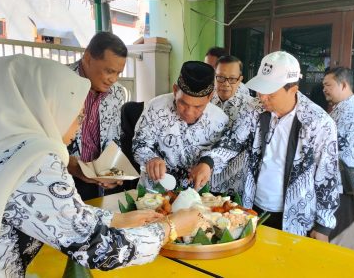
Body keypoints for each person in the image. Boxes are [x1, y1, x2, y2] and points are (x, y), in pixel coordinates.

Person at [0, 55, 200, 276]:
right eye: (76, 115)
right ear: (47, 107)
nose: (78, 126)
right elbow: (95, 249)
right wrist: (171, 228)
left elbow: (61, 215)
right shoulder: (33, 161)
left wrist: (115, 218)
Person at [191, 51, 341, 241]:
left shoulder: (318, 123)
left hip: (296, 218)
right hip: (252, 208)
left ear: (293, 89)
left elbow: (328, 177)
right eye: (261, 90)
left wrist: (324, 226)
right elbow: (232, 142)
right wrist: (208, 162)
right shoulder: (254, 109)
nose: (262, 97)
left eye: (270, 93)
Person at [133, 61, 228, 189]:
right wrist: (151, 159)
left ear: (210, 96)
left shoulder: (219, 119)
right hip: (154, 193)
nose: (188, 112)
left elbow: (223, 154)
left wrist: (208, 163)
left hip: (197, 197)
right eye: (182, 103)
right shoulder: (155, 108)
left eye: (198, 107)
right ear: (175, 90)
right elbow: (139, 143)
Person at [66, 32, 128, 200]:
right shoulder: (61, 81)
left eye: (118, 73)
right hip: (63, 176)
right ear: (87, 57)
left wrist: (113, 170)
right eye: (109, 71)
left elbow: (113, 138)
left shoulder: (117, 93)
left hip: (97, 181)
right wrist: (75, 167)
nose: (113, 79)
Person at [322, 67, 354, 249]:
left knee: (340, 239)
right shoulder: (342, 108)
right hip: (340, 184)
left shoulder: (353, 111)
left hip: (345, 185)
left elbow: (333, 146)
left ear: (343, 85)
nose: (324, 89)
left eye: (328, 85)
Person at [210, 55, 259, 193]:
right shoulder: (203, 102)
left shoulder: (251, 107)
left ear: (240, 80)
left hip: (234, 184)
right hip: (204, 179)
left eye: (232, 79)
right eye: (220, 77)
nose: (225, 83)